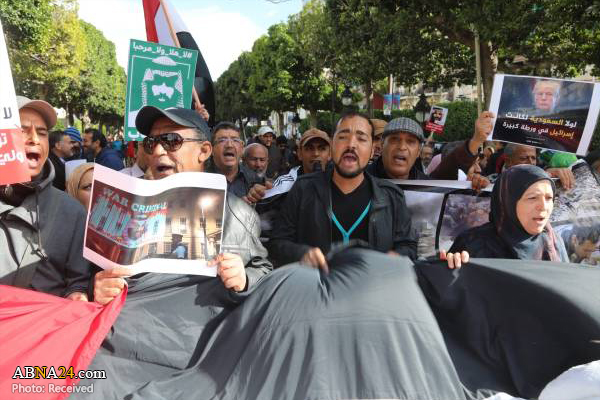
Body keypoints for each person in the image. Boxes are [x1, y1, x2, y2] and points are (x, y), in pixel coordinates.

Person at [93, 106, 272, 304]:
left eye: (171, 140)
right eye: (151, 143)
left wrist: (244, 280)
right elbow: (90, 276)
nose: (158, 151)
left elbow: (263, 272)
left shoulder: (238, 214)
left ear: (203, 151)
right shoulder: (123, 204)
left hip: (206, 322)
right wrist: (97, 288)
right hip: (132, 320)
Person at [267, 112, 417, 270]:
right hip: (317, 283)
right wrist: (302, 253)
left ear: (372, 150)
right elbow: (277, 243)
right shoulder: (303, 189)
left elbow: (408, 246)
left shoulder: (392, 196)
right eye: (343, 137)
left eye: (361, 138)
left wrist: (394, 257)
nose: (351, 144)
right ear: (332, 146)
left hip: (373, 283)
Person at [0, 96, 91, 300]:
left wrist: (78, 293)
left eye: (42, 133)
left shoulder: (72, 212)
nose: (34, 139)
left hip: (46, 320)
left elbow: (79, 281)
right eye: (21, 130)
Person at [447, 164, 569, 262]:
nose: (543, 207)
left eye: (549, 198)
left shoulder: (553, 242)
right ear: (508, 202)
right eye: (532, 198)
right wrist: (453, 265)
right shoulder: (472, 244)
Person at [367, 112, 493, 181]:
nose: (402, 147)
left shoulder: (426, 185)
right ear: (382, 145)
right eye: (395, 139)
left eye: (410, 142)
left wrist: (476, 140)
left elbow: (450, 167)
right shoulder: (360, 180)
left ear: (418, 152)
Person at [206, 121, 264, 200]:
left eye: (235, 140)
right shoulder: (200, 179)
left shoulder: (255, 180)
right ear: (211, 149)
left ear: (242, 148)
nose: (229, 145)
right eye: (222, 140)